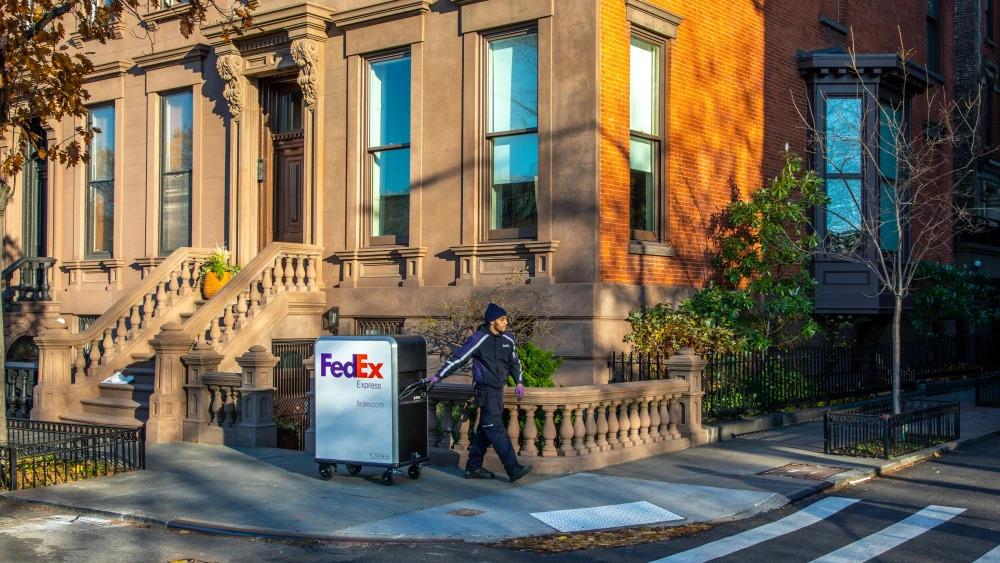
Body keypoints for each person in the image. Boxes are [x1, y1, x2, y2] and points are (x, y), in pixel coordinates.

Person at [426, 303, 533, 482]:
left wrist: (519, 382)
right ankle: (513, 468)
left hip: (498, 390)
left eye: (506, 318)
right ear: (492, 322)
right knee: (495, 428)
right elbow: (458, 358)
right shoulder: (478, 339)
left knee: (486, 428)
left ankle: (474, 468)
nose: (506, 322)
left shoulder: (508, 339)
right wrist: (438, 376)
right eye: (502, 319)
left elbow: (515, 363)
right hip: (485, 390)